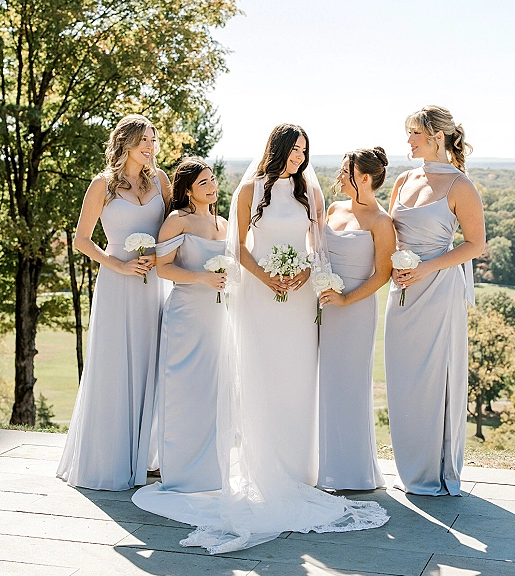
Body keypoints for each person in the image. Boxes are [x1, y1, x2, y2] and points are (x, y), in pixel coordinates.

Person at [133, 123, 389, 552]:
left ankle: (298, 469)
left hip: (300, 298)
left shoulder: (311, 190)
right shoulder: (251, 189)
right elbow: (238, 248)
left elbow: (317, 244)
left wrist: (304, 274)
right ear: (278, 148)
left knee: (297, 378)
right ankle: (258, 467)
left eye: (305, 150)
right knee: (261, 374)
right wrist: (268, 278)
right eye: (294, 149)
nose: (299, 158)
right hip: (258, 292)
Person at [57, 114, 170, 491]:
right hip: (117, 284)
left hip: (154, 282)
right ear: (125, 141)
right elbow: (82, 240)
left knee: (151, 362)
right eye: (144, 139)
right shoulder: (101, 185)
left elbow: (175, 227)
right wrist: (118, 264)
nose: (150, 146)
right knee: (116, 363)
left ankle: (147, 456)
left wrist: (164, 257)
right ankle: (110, 458)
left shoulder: (161, 181)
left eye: (153, 140)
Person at [384, 106, 486, 496]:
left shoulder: (461, 186)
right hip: (403, 290)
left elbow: (475, 244)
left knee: (433, 379)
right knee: (403, 377)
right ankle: (409, 464)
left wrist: (426, 269)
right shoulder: (403, 180)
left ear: (437, 138)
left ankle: (435, 470)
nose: (408, 141)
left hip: (439, 290)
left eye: (414, 134)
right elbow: (391, 233)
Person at [132, 158, 228, 515]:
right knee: (182, 390)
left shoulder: (222, 222)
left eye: (213, 179)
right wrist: (203, 279)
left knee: (211, 390)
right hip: (186, 315)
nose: (211, 186)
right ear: (187, 189)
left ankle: (210, 469)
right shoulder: (177, 220)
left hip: (217, 316)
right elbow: (164, 266)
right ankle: (181, 471)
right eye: (203, 182)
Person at [318, 147, 396, 491]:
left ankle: (353, 473)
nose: (338, 176)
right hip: (323, 308)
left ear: (364, 178)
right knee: (323, 384)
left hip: (356, 311)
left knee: (350, 385)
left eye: (344, 170)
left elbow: (383, 274)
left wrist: (346, 298)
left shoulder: (382, 222)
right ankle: (323, 467)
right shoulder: (334, 209)